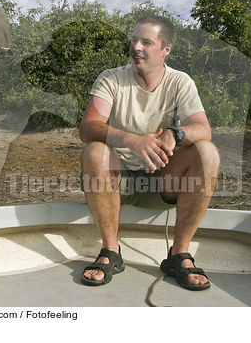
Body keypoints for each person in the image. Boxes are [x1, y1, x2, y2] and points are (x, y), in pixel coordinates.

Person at [79, 15, 220, 290]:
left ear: (166, 49)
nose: (136, 47)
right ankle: (110, 252)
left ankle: (179, 255)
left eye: (146, 42)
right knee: (95, 151)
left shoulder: (181, 82)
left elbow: (203, 128)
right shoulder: (111, 79)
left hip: (163, 181)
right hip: (115, 183)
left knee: (208, 152)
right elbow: (88, 128)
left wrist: (175, 133)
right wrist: (132, 140)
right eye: (134, 40)